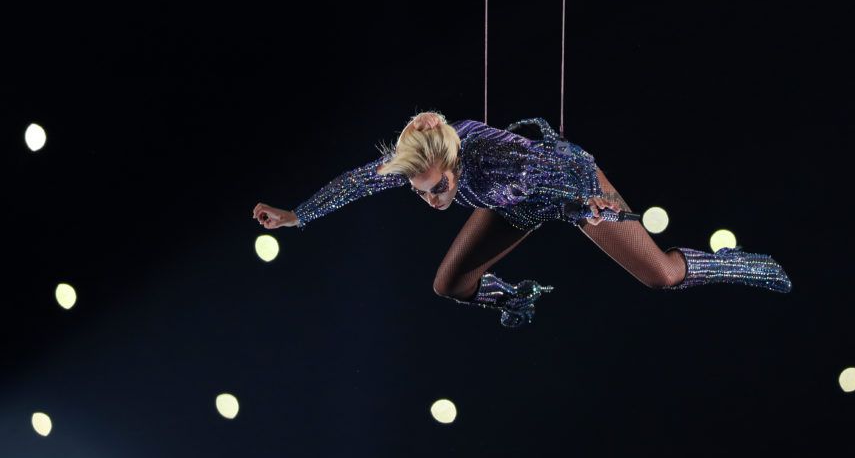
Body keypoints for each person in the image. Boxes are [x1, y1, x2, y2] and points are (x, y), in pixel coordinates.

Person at [252, 111, 792, 327]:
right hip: (514, 204)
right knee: (449, 284)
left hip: (570, 187)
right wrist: (297, 216)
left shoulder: (503, 160)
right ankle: (520, 296)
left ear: (455, 163)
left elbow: (572, 164)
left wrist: (592, 207)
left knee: (661, 277)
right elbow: (357, 182)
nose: (434, 200)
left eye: (439, 188)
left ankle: (747, 265)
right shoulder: (423, 164)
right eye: (422, 194)